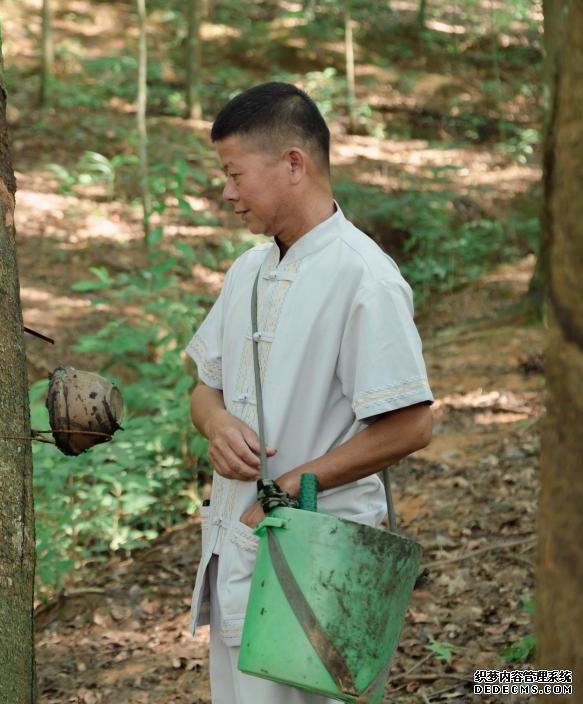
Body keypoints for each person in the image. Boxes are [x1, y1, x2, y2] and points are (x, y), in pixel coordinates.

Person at [184, 82, 435, 704]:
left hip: (320, 562)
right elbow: (203, 389)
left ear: (293, 163)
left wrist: (292, 486)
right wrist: (216, 425)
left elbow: (411, 425)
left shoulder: (364, 278)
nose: (227, 193)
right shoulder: (247, 271)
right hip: (236, 546)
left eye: (235, 174)